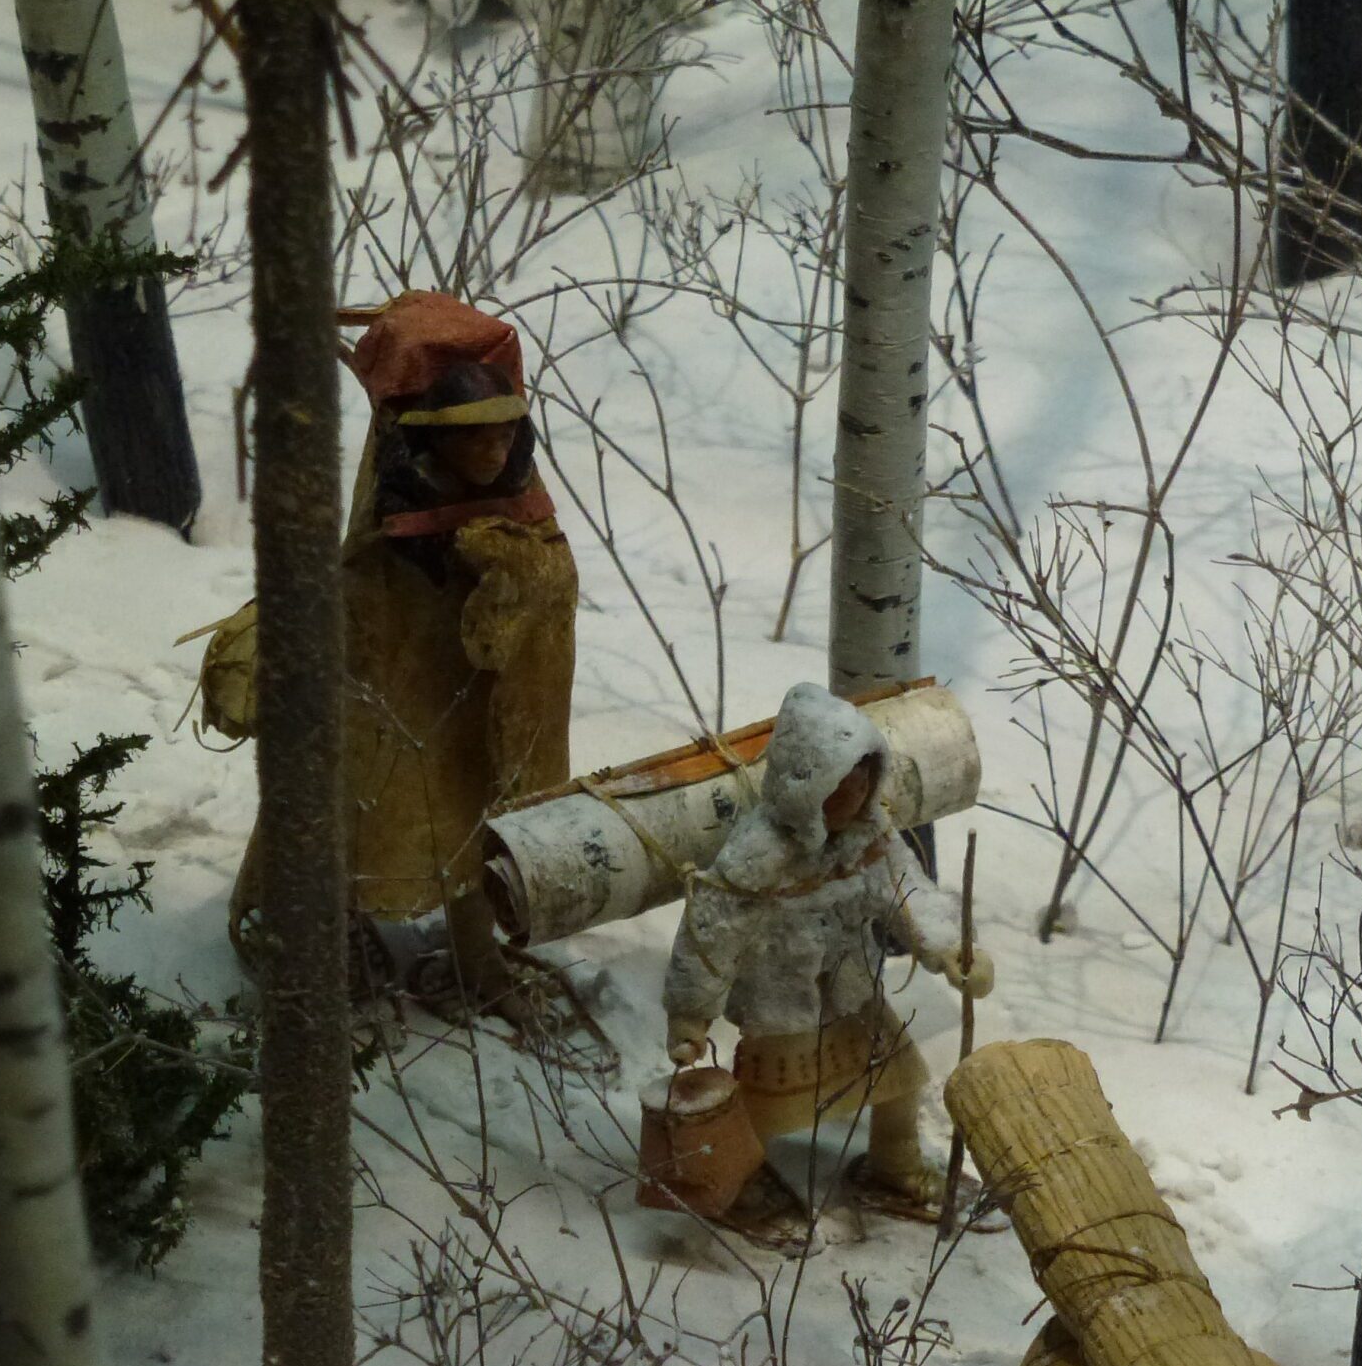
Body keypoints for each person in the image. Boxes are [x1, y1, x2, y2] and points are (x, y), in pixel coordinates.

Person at [203, 292, 578, 1021]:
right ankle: (309, 926)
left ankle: (476, 955)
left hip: (476, 692)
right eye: (470, 438)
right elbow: (359, 585)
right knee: (359, 801)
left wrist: (508, 570)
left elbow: (552, 581)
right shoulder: (390, 509)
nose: (492, 451)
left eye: (503, 433)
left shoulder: (521, 503)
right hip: (388, 683)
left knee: (474, 808)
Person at [660, 681, 991, 1228]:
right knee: (770, 1106)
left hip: (854, 991)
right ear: (804, 785)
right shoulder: (759, 852)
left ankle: (895, 1164)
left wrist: (952, 946)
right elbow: (711, 932)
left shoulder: (871, 835)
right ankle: (737, 1180)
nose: (854, 797)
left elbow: (907, 890)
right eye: (838, 786)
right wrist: (690, 1013)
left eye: (863, 782)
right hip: (782, 1005)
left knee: (900, 1078)